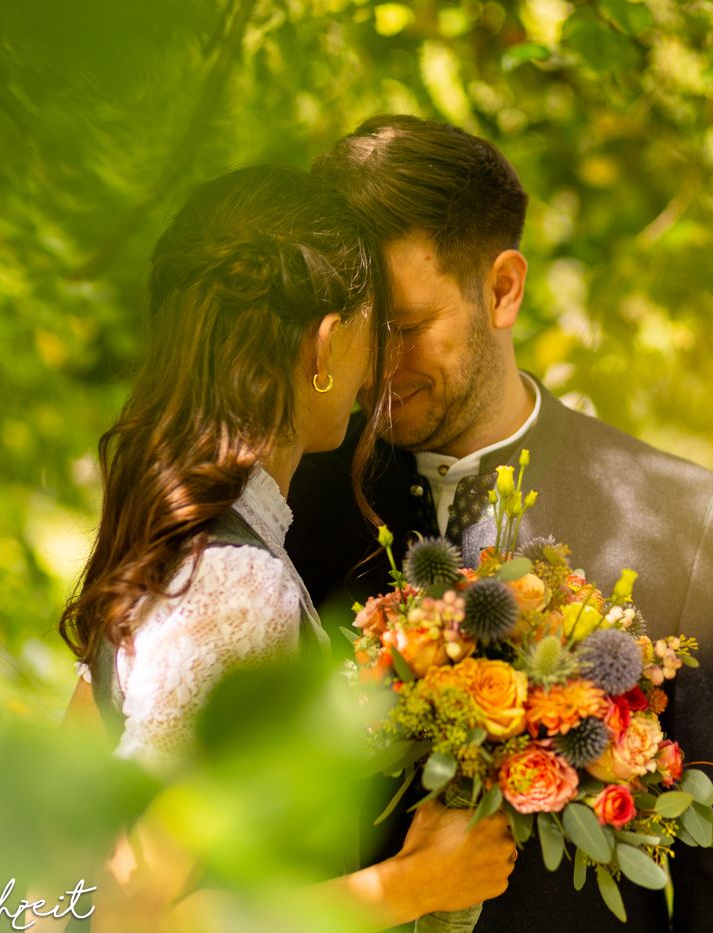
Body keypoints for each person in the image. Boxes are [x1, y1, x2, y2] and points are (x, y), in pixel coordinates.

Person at [286, 117, 713, 932]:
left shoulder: (678, 524)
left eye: (404, 328)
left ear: (503, 288)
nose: (378, 370)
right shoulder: (296, 501)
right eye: (360, 331)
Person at [58, 164, 516, 930]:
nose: (380, 371)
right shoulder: (236, 582)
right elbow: (128, 913)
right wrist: (415, 881)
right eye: (380, 330)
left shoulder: (172, 537)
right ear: (326, 341)